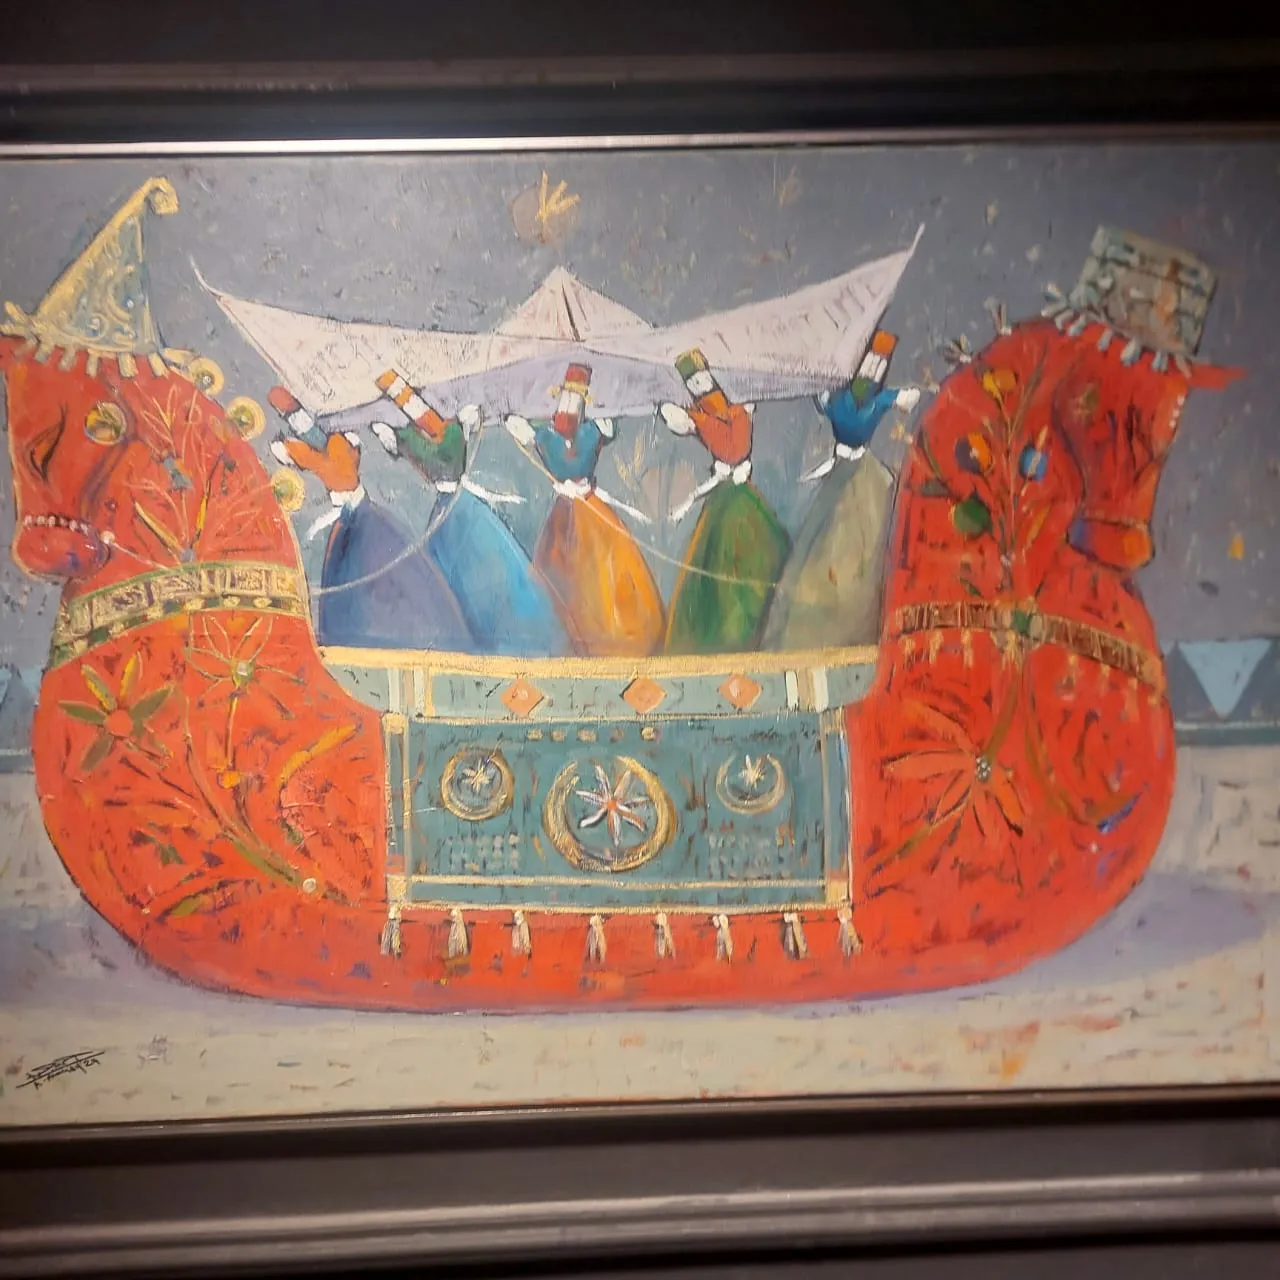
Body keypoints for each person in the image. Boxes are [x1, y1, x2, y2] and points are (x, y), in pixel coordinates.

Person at [368, 370, 571, 656]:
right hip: (452, 509)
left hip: (457, 511)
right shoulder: (445, 438)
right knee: (452, 574)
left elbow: (423, 446)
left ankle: (488, 632)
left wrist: (399, 438)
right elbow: (421, 446)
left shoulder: (449, 438)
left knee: (477, 569)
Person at [267, 387, 474, 651]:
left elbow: (310, 455)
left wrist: (290, 441)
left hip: (365, 531)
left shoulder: (358, 515)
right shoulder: (358, 506)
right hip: (364, 518)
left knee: (384, 587)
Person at [761, 330, 921, 650]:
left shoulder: (876, 400)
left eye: (876, 366)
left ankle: (853, 628)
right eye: (868, 365)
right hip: (840, 472)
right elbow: (821, 397)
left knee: (861, 547)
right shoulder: (840, 401)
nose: (870, 374)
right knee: (820, 544)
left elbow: (906, 398)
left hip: (864, 475)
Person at [503, 363, 665, 656]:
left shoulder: (591, 432)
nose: (569, 404)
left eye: (576, 398)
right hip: (563, 514)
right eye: (567, 396)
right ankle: (564, 635)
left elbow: (608, 429)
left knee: (602, 569)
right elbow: (522, 430)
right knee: (557, 569)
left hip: (590, 509)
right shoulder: (545, 435)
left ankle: (606, 634)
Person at [658, 349, 789, 654]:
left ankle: (755, 628)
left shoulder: (737, 411)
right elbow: (720, 470)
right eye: (694, 383)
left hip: (741, 498)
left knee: (758, 557)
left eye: (702, 379)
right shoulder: (702, 419)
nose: (701, 386)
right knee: (718, 570)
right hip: (724, 501)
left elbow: (734, 450)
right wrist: (687, 503)